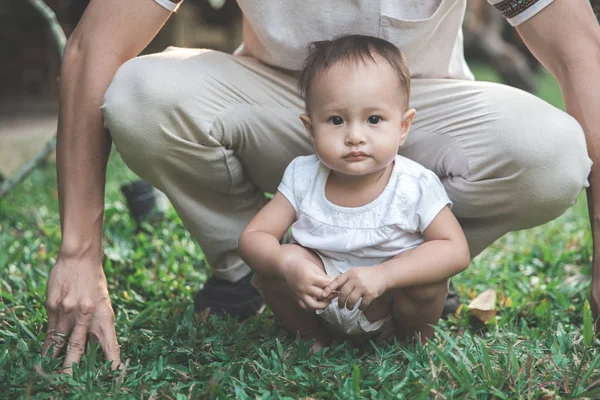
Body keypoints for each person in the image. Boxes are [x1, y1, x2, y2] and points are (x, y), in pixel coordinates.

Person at [42, 0, 599, 371]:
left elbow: (581, 52)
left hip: (419, 103)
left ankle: (410, 269)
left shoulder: (402, 132)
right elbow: (96, 47)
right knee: (142, 94)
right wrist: (78, 252)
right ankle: (247, 273)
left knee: (553, 152)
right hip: (276, 96)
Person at [238, 35, 471, 350]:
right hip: (318, 297)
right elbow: (254, 236)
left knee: (428, 283)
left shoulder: (414, 183)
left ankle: (413, 344)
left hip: (388, 302)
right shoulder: (302, 175)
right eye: (336, 120)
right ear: (310, 129)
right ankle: (310, 338)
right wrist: (286, 264)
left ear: (403, 127)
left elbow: (455, 249)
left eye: (374, 120)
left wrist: (386, 276)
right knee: (277, 264)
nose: (355, 136)